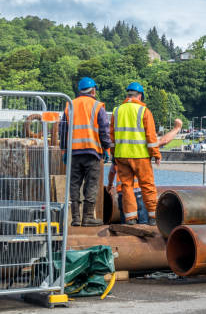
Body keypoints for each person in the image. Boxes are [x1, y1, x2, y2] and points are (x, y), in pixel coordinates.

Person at [107, 118, 183, 224]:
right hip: (139, 193)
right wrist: (176, 128)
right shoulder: (142, 148)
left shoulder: (120, 151)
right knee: (143, 225)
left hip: (123, 195)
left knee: (127, 225)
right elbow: (163, 140)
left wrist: (109, 186)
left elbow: (112, 172)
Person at [60, 77, 111, 227]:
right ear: (93, 90)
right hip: (92, 152)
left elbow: (63, 130)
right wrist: (106, 148)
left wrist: (64, 151)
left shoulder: (70, 105)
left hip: (74, 153)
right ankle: (88, 217)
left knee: (74, 184)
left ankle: (75, 218)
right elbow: (104, 130)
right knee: (91, 185)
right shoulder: (97, 106)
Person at [110, 82, 161, 226]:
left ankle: (130, 218)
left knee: (126, 187)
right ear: (140, 96)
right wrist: (156, 154)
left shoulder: (117, 111)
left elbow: (112, 137)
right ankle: (153, 217)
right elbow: (151, 137)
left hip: (121, 156)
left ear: (128, 95)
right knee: (147, 185)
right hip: (140, 156)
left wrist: (114, 155)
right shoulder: (144, 111)